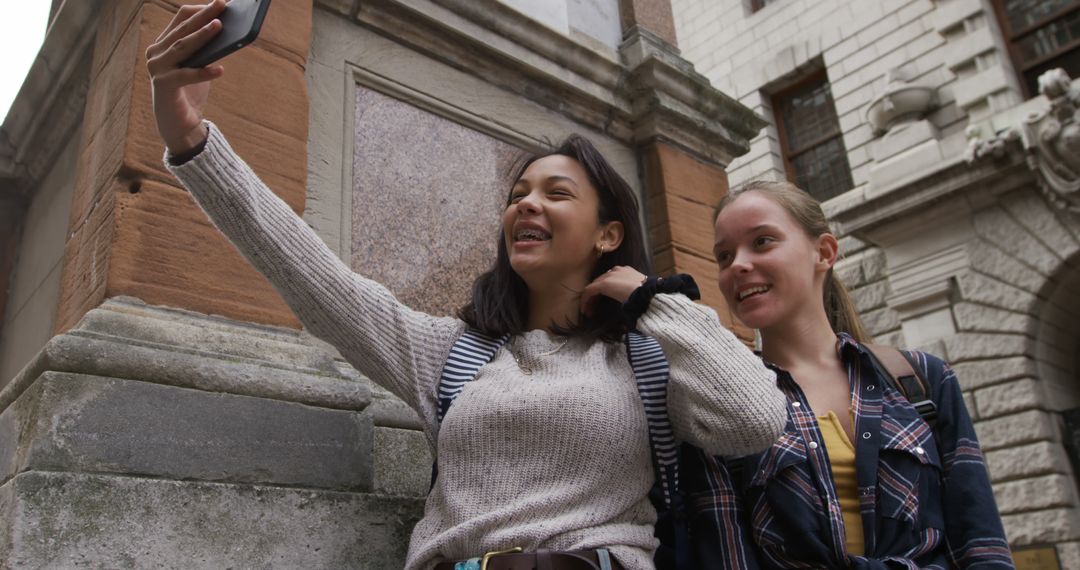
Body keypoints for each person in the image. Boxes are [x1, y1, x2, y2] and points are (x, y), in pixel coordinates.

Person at [145, 3, 789, 569]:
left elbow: (754, 421)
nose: (526, 206)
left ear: (608, 235)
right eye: (517, 195)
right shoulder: (451, 351)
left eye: (555, 193)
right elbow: (309, 272)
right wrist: (192, 141)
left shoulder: (644, 359)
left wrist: (653, 303)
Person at [693, 179, 1015, 568]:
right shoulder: (722, 407)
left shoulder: (922, 378)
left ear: (824, 252)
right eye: (724, 256)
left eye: (762, 241)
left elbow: (981, 542)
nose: (739, 265)